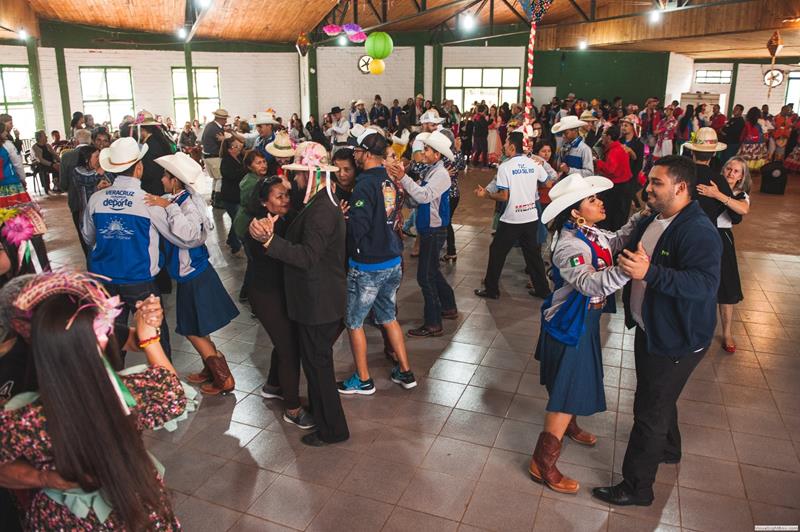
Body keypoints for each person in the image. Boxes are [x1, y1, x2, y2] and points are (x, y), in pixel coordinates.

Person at [0, 271, 188, 529]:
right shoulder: (131, 394)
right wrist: (150, 337)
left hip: (63, 519)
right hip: (138, 506)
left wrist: (48, 478)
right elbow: (172, 389)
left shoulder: (23, 419)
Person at [593, 155, 722, 507]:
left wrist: (649, 273)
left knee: (649, 410)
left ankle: (637, 488)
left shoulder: (697, 230)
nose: (647, 188)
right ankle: (669, 447)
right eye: (649, 180)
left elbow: (704, 285)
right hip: (651, 327)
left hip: (676, 338)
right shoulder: (654, 217)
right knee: (660, 397)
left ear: (681, 188)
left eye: (656, 183)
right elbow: (626, 250)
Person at [530, 173, 644, 494]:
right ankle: (542, 463)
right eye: (592, 200)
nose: (600, 202)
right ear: (575, 212)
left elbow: (614, 241)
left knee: (573, 381)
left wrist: (640, 217)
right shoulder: (570, 244)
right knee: (566, 390)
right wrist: (626, 271)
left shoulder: (589, 233)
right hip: (570, 323)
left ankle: (569, 425)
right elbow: (588, 283)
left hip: (585, 321)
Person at [250, 142, 349, 447]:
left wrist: (271, 242)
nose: (294, 181)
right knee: (316, 365)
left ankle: (332, 430)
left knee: (319, 368)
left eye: (298, 174)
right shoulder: (320, 202)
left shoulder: (320, 210)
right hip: (317, 297)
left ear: (311, 174)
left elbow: (307, 256)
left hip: (318, 301)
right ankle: (323, 417)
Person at [82, 138, 205, 359]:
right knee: (155, 337)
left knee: (110, 336)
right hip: (140, 279)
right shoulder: (149, 202)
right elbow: (182, 238)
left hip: (104, 280)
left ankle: (111, 378)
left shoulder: (96, 199)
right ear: (138, 168)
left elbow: (88, 237)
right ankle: (163, 377)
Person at [147, 152, 239, 395]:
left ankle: (224, 378)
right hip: (193, 272)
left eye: (165, 177)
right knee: (198, 326)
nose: (162, 181)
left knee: (190, 329)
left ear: (175, 181)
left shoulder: (185, 204)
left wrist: (168, 207)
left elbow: (189, 234)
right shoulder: (180, 198)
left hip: (193, 273)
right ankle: (210, 370)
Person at [337, 130, 416, 395]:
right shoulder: (389, 180)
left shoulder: (364, 185)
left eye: (357, 151)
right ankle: (405, 371)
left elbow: (358, 227)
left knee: (354, 322)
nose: (355, 156)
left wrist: (341, 219)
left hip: (368, 265)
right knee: (388, 317)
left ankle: (363, 379)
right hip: (392, 260)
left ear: (368, 154)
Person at [244, 177, 314, 428]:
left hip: (283, 290)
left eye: (286, 194)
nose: (285, 199)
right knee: (289, 349)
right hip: (265, 293)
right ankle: (292, 409)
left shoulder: (288, 216)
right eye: (279, 196)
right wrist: (266, 237)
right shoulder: (259, 226)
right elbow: (268, 250)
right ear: (264, 202)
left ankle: (274, 385)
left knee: (286, 340)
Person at [388, 131, 458, 337]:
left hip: (434, 230)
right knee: (433, 271)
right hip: (429, 228)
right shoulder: (431, 171)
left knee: (425, 277)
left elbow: (424, 196)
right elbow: (417, 199)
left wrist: (403, 178)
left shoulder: (441, 174)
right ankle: (449, 306)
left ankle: (434, 323)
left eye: (427, 149)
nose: (423, 152)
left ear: (437, 154)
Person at [474, 131, 551, 300]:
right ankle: (543, 290)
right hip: (531, 216)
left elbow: (503, 196)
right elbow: (548, 182)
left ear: (512, 147)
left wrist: (486, 195)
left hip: (512, 218)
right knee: (533, 254)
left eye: (506, 144)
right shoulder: (534, 163)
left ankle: (492, 289)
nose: (503, 147)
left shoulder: (505, 167)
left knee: (497, 251)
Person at [697, 156, 750, 353]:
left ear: (741, 177)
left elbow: (742, 210)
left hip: (723, 239)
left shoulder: (740, 194)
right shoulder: (710, 183)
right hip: (702, 235)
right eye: (729, 168)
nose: (731, 173)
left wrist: (718, 194)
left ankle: (727, 333)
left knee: (727, 287)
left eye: (736, 171)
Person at [233, 150, 272, 302]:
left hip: (244, 223)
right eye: (258, 163)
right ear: (249, 166)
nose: (263, 165)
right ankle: (248, 294)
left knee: (252, 261)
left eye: (264, 161)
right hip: (247, 225)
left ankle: (247, 293)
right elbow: (255, 204)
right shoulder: (253, 182)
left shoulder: (254, 178)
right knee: (254, 263)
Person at [595, 125, 633, 231]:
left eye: (604, 134)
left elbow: (610, 170)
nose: (602, 137)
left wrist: (598, 162)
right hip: (623, 187)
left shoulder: (615, 151)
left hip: (617, 188)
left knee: (613, 217)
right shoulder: (619, 147)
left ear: (609, 137)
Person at [219, 136, 246, 254]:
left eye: (238, 146)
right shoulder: (226, 161)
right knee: (237, 220)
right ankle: (235, 246)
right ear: (230, 149)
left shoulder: (239, 157)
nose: (239, 148)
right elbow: (231, 175)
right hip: (230, 197)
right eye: (236, 146)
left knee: (237, 219)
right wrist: (245, 170)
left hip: (237, 196)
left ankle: (231, 240)